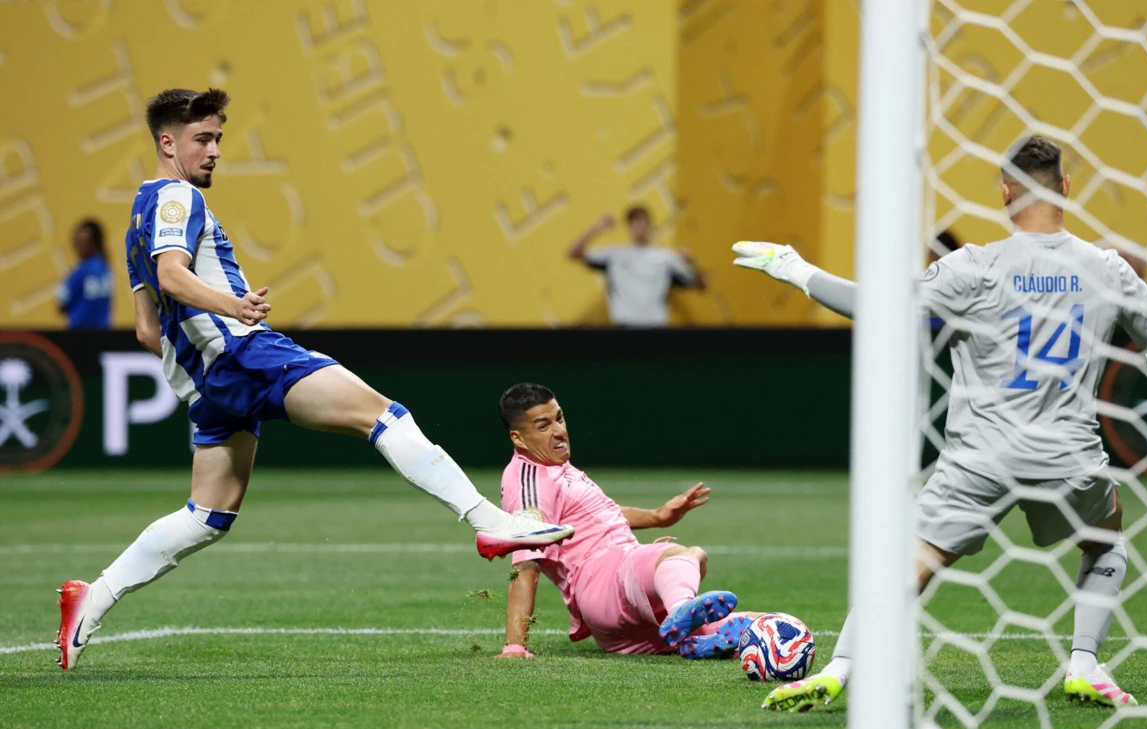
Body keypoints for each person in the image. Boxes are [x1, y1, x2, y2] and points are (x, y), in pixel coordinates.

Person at [54, 88, 574, 671]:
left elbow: (148, 332)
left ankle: (91, 599)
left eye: (220, 138)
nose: (215, 150)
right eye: (203, 138)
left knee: (208, 516)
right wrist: (235, 309)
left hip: (215, 380)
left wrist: (203, 386)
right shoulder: (176, 198)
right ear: (167, 142)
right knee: (383, 415)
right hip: (247, 353)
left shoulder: (135, 222)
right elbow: (173, 277)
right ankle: (489, 524)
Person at [733, 136, 1147, 712]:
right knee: (1105, 542)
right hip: (1067, 454)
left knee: (909, 564)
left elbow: (874, 307)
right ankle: (1084, 664)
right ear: (1066, 188)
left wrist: (793, 268)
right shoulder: (1107, 268)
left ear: (1005, 193)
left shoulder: (975, 266)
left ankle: (843, 667)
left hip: (981, 458)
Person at [495, 383, 763, 660]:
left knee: (763, 626)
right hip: (605, 581)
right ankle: (680, 609)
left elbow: (599, 517)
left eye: (559, 418)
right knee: (688, 555)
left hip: (618, 621)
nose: (560, 431)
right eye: (543, 426)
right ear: (518, 438)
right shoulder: (529, 481)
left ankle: (702, 635)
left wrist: (658, 517)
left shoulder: (551, 468)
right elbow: (526, 563)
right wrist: (515, 645)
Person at [567, 205, 706, 328]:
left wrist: (692, 262)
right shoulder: (615, 255)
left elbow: (702, 285)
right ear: (628, 226)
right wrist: (596, 228)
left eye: (642, 220)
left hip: (655, 327)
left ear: (651, 224)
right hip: (624, 325)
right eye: (633, 221)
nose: (638, 225)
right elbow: (573, 253)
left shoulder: (666, 257)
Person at [56, 219, 114, 329]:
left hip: (79, 334)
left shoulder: (80, 272)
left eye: (83, 243)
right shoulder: (106, 269)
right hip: (105, 333)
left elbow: (61, 303)